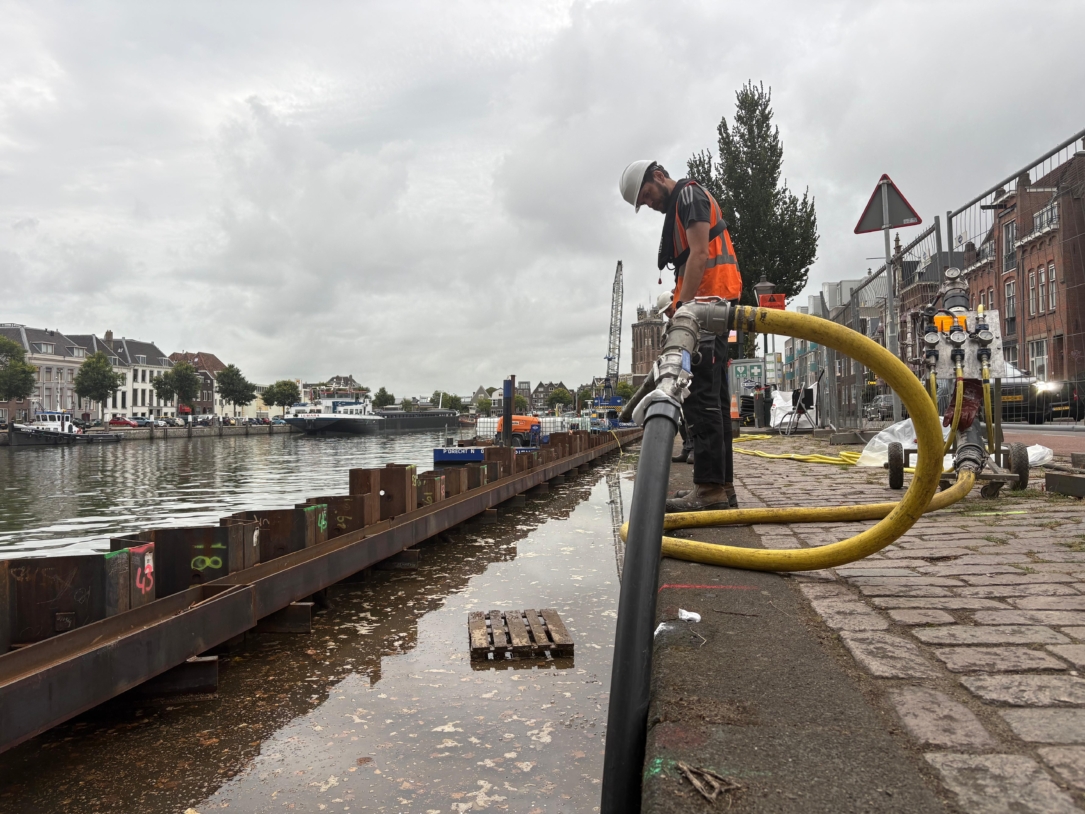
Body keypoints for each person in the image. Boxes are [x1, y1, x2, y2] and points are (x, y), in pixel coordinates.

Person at [619, 160, 742, 511]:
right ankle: (722, 487)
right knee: (714, 402)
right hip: (710, 307)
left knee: (701, 401)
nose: (650, 204)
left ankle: (709, 490)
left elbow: (701, 253)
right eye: (643, 203)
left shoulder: (688, 196)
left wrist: (683, 310)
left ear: (658, 177)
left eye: (648, 195)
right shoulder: (685, 201)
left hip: (705, 307)